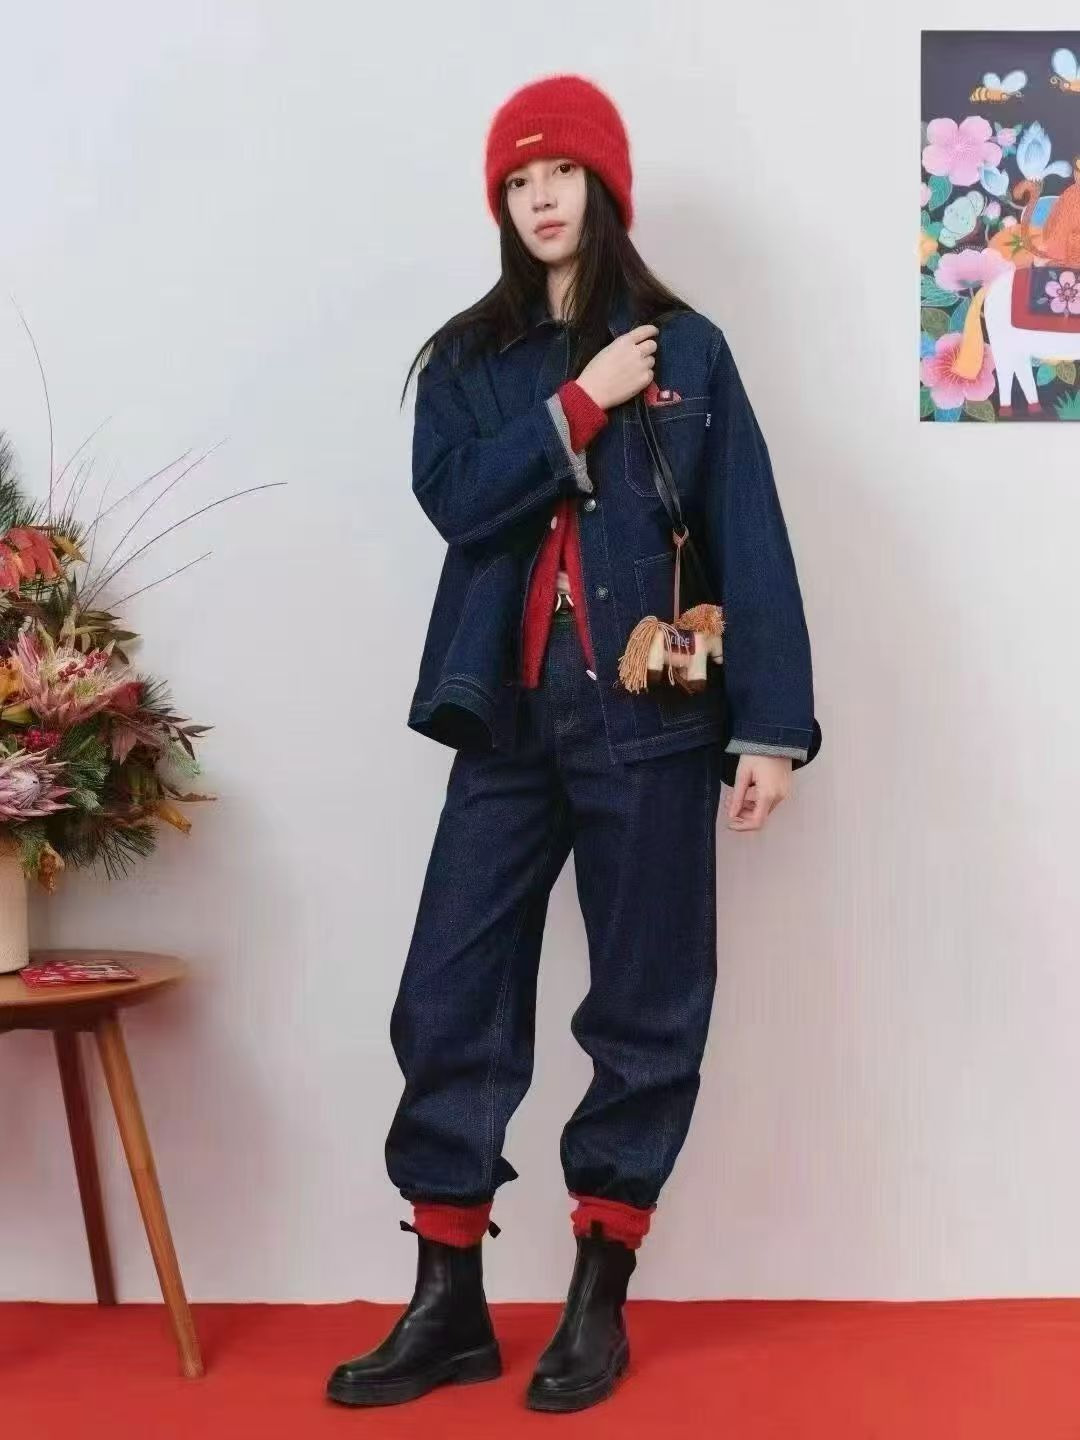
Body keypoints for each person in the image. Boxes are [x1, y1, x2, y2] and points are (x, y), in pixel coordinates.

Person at [326, 72, 822, 1415]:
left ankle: (600, 1291)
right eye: (518, 180)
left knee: (647, 1000)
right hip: (504, 715)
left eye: (561, 173)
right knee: (447, 990)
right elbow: (458, 502)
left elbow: (749, 531)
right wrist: (579, 405)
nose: (540, 197)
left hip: (651, 721)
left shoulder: (689, 350)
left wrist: (770, 730)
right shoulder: (467, 360)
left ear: (607, 185)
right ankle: (448, 1303)